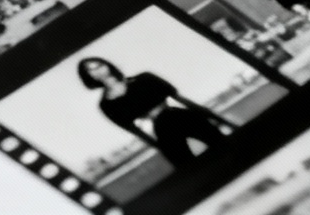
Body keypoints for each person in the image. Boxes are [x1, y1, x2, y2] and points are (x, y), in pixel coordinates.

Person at [76, 57, 229, 167]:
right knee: (189, 168)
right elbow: (134, 130)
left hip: (181, 116)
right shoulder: (106, 104)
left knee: (224, 145)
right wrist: (159, 146)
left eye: (99, 65)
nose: (97, 70)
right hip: (162, 131)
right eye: (90, 69)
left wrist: (217, 118)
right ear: (88, 76)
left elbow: (181, 98)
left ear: (107, 65)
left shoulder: (144, 78)